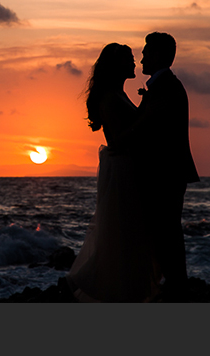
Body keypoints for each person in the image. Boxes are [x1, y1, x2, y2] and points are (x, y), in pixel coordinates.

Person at [65, 43, 161, 302]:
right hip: (122, 171)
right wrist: (146, 116)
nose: (133, 64)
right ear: (116, 65)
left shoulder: (119, 93)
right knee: (123, 232)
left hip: (128, 168)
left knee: (131, 233)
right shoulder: (110, 97)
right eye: (129, 60)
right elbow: (117, 141)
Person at [127, 32, 200, 301]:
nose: (142, 57)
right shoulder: (163, 86)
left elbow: (149, 129)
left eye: (146, 52)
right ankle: (174, 284)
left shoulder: (167, 87)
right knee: (165, 230)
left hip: (165, 173)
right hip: (165, 172)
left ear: (158, 55)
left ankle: (177, 287)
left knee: (167, 231)